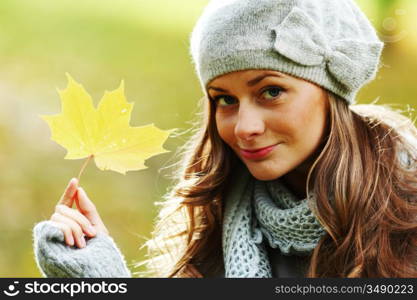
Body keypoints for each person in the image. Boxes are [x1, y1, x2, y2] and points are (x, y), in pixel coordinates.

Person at [32, 0, 417, 278]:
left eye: (270, 91)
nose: (243, 127)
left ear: (332, 92)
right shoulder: (217, 220)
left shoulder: (406, 217)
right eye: (225, 100)